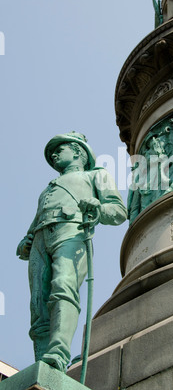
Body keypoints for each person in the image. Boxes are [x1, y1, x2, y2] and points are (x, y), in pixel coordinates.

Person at [16, 132, 127, 372]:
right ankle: (41, 362)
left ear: (78, 152)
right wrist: (26, 241)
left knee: (63, 286)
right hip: (40, 239)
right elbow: (35, 222)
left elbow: (119, 211)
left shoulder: (97, 175)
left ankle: (57, 354)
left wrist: (98, 208)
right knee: (38, 302)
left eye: (60, 148)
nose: (54, 154)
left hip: (72, 232)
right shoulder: (47, 189)